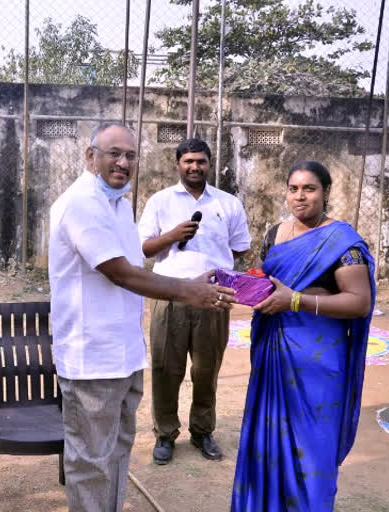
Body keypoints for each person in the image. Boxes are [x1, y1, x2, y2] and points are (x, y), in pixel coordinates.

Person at [48, 124, 237, 511]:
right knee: (91, 463)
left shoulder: (117, 203)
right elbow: (119, 271)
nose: (123, 162)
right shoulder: (81, 202)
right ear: (90, 156)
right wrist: (188, 290)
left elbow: (136, 265)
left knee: (116, 456)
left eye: (131, 155)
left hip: (123, 356)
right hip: (92, 362)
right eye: (113, 153)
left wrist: (193, 283)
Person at [230, 160, 375, 511]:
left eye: (309, 189)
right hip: (274, 352)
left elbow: (358, 302)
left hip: (318, 358)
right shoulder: (274, 234)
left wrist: (295, 300)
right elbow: (268, 283)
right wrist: (231, 288)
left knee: (313, 446)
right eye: (293, 189)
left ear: (325, 193)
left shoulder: (342, 241)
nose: (300, 196)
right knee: (270, 439)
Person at [137, 137, 252, 465]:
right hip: (169, 294)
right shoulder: (160, 201)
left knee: (206, 370)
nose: (194, 167)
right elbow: (143, 248)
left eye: (200, 161)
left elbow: (240, 247)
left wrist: (216, 264)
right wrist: (172, 236)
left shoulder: (228, 204)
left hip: (213, 299)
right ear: (178, 164)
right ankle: (165, 433)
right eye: (188, 161)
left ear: (209, 163)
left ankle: (202, 431)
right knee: (165, 368)